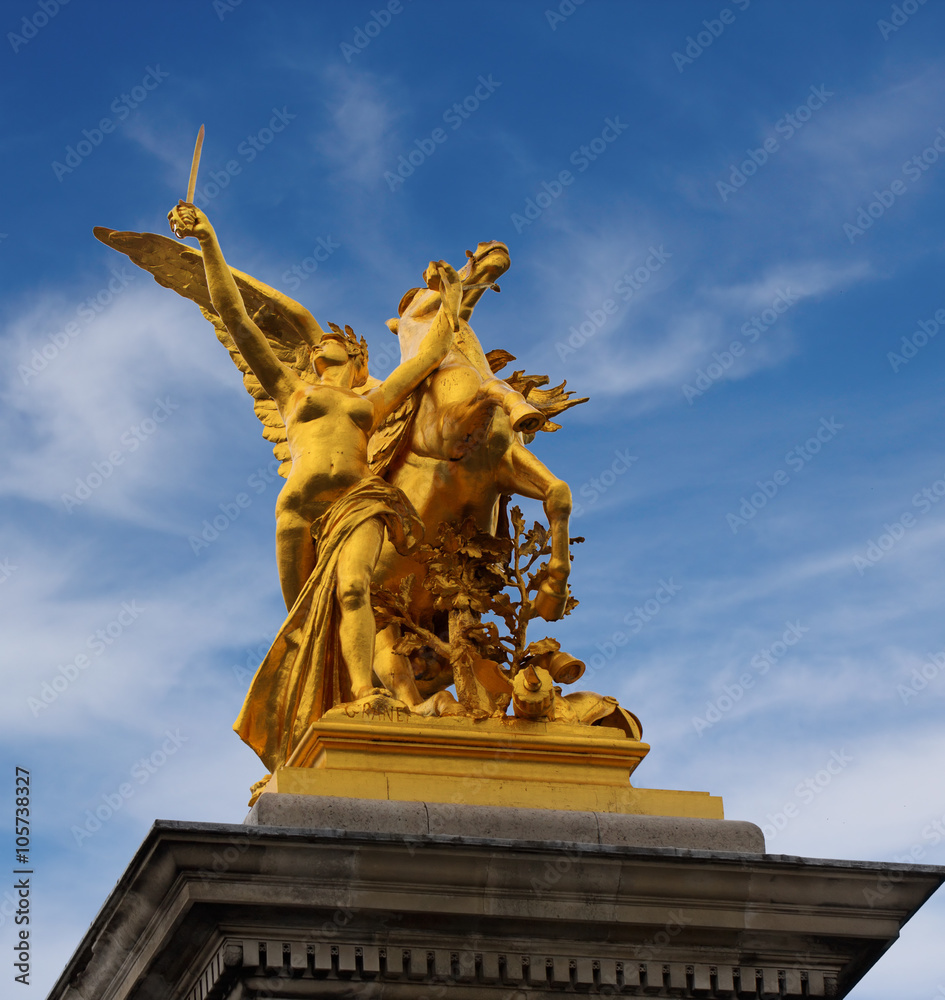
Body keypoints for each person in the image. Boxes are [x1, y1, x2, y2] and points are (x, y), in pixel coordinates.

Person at [167, 201, 462, 770]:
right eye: (319, 343)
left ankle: (365, 694)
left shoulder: (371, 402)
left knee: (354, 592)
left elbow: (427, 356)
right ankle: (302, 720)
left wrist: (450, 298)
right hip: (299, 508)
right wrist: (207, 240)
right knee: (304, 621)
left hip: (356, 502)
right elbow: (234, 314)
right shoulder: (290, 392)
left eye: (335, 343)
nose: (322, 343)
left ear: (355, 358)